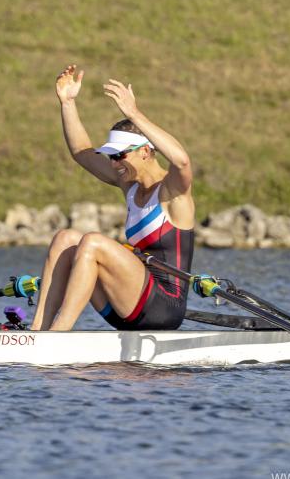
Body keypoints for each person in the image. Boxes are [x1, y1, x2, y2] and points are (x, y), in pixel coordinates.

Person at [30, 64, 196, 332]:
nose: (115, 163)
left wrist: (134, 113)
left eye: (120, 155)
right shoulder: (127, 182)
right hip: (124, 305)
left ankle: (58, 335)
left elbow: (182, 160)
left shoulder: (173, 191)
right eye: (111, 156)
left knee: (93, 242)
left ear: (145, 152)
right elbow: (82, 153)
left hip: (163, 308)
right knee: (65, 239)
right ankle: (37, 332)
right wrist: (68, 103)